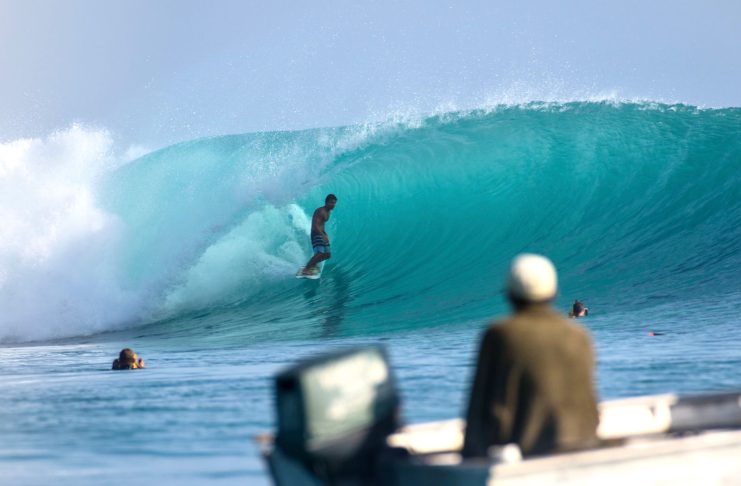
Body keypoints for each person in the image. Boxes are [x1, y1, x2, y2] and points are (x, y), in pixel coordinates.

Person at [462, 254, 599, 458]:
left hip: (530, 451)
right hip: (585, 443)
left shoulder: (501, 334)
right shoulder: (579, 335)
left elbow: (485, 408)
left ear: (509, 294)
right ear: (554, 292)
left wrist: (470, 454)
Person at [300, 194, 337, 276]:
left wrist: (325, 234)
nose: (333, 205)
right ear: (326, 202)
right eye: (331, 203)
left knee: (327, 255)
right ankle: (306, 269)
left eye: (334, 203)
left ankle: (313, 264)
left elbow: (322, 224)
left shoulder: (328, 212)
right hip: (316, 233)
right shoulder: (320, 211)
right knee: (320, 253)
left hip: (322, 233)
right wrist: (322, 235)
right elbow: (315, 226)